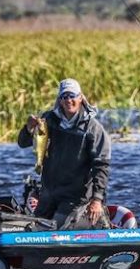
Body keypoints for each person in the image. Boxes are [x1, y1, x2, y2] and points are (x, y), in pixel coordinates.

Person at [18, 78, 111, 229]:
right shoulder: (48, 120)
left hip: (75, 197)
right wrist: (28, 129)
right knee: (34, 230)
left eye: (72, 95)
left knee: (58, 229)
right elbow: (23, 143)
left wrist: (97, 199)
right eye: (64, 96)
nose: (69, 100)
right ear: (60, 100)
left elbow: (102, 167)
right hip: (49, 194)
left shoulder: (93, 129)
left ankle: (98, 218)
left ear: (80, 98)